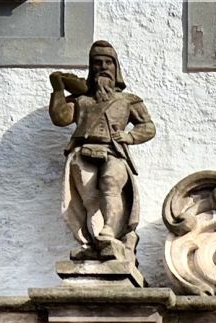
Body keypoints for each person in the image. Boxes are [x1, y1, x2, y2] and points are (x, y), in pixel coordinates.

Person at [49, 41, 156, 268]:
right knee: (89, 199)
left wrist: (129, 137)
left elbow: (148, 127)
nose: (102, 67)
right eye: (97, 63)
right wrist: (59, 88)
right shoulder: (82, 100)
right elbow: (61, 118)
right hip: (84, 152)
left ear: (116, 67)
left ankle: (109, 231)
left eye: (108, 62)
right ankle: (93, 240)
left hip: (113, 152)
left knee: (110, 182)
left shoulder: (129, 100)